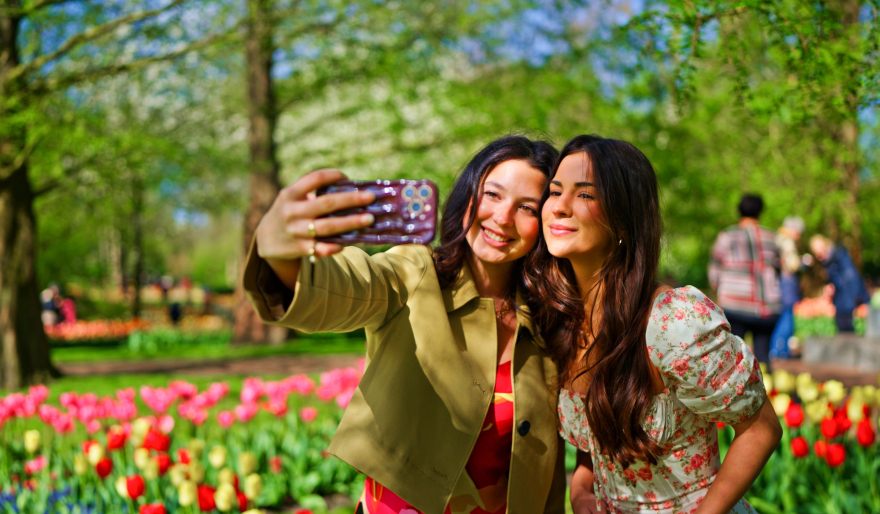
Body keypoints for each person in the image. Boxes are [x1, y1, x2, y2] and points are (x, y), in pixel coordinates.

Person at [243, 136, 566, 514]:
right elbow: (350, 284)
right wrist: (283, 257)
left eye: (526, 207)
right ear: (468, 197)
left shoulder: (548, 320)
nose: (502, 217)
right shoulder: (414, 272)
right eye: (492, 195)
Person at [527, 135, 782, 514]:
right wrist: (581, 495)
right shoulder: (560, 319)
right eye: (555, 191)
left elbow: (761, 429)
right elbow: (592, 451)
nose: (559, 207)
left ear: (624, 219)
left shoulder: (673, 324)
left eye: (585, 195)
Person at [708, 194, 781, 368]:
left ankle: (735, 394)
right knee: (763, 356)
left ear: (739, 210)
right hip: (768, 307)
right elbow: (778, 267)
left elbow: (714, 269)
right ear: (760, 212)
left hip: (735, 303)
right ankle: (769, 392)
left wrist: (718, 287)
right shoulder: (772, 237)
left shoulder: (728, 236)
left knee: (733, 358)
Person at [808, 235, 869, 333]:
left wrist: (857, 298)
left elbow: (851, 277)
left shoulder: (839, 255)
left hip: (848, 299)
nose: (818, 254)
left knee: (847, 329)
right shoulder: (827, 261)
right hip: (841, 300)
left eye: (819, 249)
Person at [770, 215, 806, 358]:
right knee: (787, 315)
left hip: (779, 281)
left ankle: (776, 348)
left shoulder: (777, 238)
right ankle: (781, 350)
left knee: (783, 314)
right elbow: (793, 265)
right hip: (788, 281)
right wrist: (803, 263)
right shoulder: (788, 242)